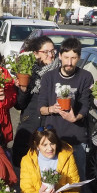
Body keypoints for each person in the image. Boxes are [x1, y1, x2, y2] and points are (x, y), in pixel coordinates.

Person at [38, 37, 93, 183]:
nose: (69, 62)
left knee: (77, 181)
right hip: (53, 138)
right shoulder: (49, 77)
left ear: (79, 58)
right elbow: (41, 108)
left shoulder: (85, 77)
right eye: (66, 57)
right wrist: (51, 108)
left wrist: (76, 118)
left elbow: (86, 104)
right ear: (60, 56)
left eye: (74, 58)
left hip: (77, 138)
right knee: (51, 180)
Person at [13, 36, 58, 166]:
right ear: (35, 54)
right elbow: (19, 105)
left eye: (52, 51)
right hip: (29, 125)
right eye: (46, 52)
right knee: (24, 166)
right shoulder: (28, 72)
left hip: (50, 127)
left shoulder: (59, 73)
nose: (50, 55)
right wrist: (23, 88)